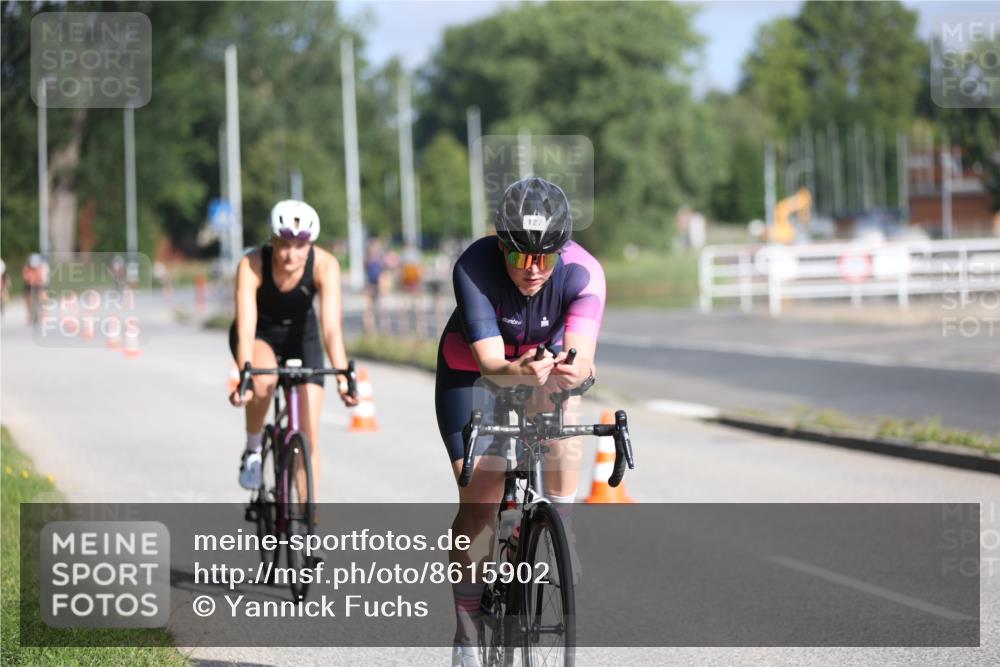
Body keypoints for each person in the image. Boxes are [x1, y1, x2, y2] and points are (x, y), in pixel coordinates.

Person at [435, 177, 606, 665]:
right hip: (472, 374)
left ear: (563, 251)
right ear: (501, 245)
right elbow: (491, 365)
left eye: (545, 258)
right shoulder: (473, 265)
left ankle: (561, 525)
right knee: (480, 503)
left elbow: (585, 358)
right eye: (519, 257)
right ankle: (467, 630)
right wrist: (521, 372)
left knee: (565, 401)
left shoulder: (584, 273)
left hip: (540, 365)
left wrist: (574, 369)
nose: (532, 270)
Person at [228, 200, 358, 497]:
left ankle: (308, 521)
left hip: (303, 335)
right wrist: (245, 375)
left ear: (310, 244)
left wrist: (341, 377)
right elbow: (246, 328)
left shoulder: (326, 265)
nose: (290, 254)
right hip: (259, 333)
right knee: (264, 380)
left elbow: (331, 329)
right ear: (271, 241)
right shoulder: (252, 264)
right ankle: (252, 449)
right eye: (283, 244)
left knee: (309, 433)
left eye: (300, 245)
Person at [22, 254, 48, 325]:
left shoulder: (43, 268)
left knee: (43, 297)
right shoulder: (27, 268)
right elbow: (26, 279)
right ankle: (30, 315)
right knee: (29, 299)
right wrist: (31, 282)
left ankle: (44, 315)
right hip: (30, 285)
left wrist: (40, 283)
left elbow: (43, 279)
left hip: (40, 285)